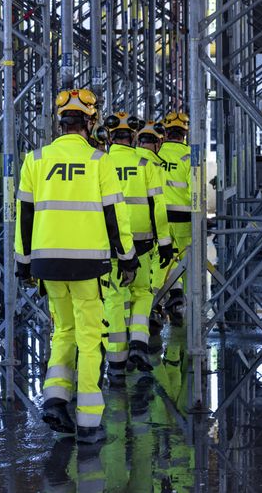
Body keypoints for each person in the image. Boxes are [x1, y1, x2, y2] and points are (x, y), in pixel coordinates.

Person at [15, 88, 138, 444]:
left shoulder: (34, 160)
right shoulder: (101, 162)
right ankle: (88, 423)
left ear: (61, 123)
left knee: (62, 331)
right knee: (89, 338)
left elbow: (23, 216)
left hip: (46, 263)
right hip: (88, 266)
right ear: (90, 122)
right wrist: (127, 257)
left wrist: (24, 263)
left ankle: (55, 398)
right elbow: (116, 216)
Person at [102, 112, 172, 382]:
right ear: (132, 137)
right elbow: (158, 207)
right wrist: (164, 243)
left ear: (110, 137)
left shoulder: (101, 163)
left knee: (114, 299)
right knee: (142, 293)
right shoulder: (146, 163)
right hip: (142, 244)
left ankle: (116, 364)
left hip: (110, 245)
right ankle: (139, 345)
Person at [158, 112, 192, 326]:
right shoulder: (189, 156)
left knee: (163, 259)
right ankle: (184, 299)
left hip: (160, 216)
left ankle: (166, 295)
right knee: (187, 260)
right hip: (184, 217)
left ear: (166, 131)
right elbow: (196, 189)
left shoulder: (156, 153)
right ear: (185, 133)